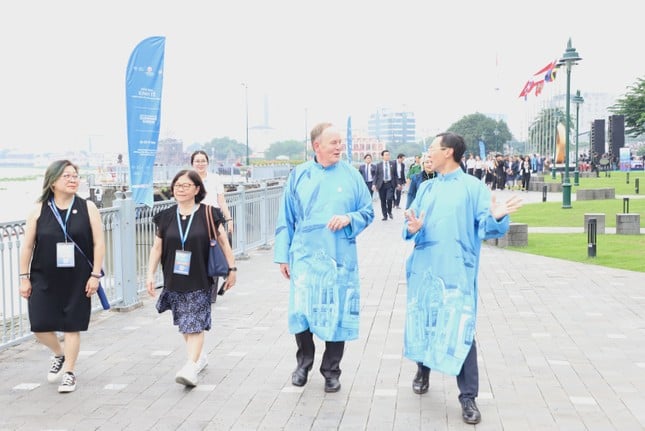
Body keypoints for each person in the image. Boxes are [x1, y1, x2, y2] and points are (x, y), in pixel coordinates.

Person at [403, 133, 522, 425]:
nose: (428, 154)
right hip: (425, 267)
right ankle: (423, 368)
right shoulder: (426, 187)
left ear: (449, 152)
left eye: (432, 148)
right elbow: (409, 228)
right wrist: (414, 228)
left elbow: (487, 228)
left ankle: (468, 397)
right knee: (426, 319)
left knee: (461, 328)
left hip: (457, 269)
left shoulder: (474, 188)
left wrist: (496, 216)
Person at [274, 122, 374, 393]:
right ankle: (303, 363)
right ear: (317, 146)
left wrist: (349, 218)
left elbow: (368, 211)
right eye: (333, 142)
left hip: (340, 258)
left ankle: (331, 370)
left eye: (340, 142)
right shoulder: (299, 175)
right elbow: (286, 217)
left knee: (337, 312)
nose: (339, 147)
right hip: (305, 257)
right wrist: (283, 256)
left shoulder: (352, 175)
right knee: (301, 311)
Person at [19, 160, 105, 393]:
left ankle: (69, 372)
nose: (72, 179)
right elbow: (27, 246)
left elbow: (99, 243)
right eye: (66, 176)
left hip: (78, 277)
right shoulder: (38, 209)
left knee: (72, 325)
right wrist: (24, 277)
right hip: (43, 277)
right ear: (53, 181)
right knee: (38, 324)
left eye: (75, 175)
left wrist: (95, 274)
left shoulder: (88, 207)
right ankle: (59, 354)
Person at [146, 169, 237, 387]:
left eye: (186, 185)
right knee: (184, 323)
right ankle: (199, 358)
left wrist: (232, 269)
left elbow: (224, 243)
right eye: (177, 185)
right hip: (174, 277)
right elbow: (157, 247)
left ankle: (190, 366)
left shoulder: (209, 213)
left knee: (194, 322)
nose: (180, 189)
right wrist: (150, 274)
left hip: (200, 276)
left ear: (197, 189)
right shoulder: (166, 216)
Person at [191, 150, 234, 303]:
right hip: (195, 219)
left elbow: (221, 201)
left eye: (203, 161)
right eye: (197, 161)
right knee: (197, 255)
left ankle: (211, 294)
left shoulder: (215, 179)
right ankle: (198, 289)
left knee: (214, 254)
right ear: (192, 163)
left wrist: (229, 219)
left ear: (207, 163)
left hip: (213, 219)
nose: (200, 164)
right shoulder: (189, 179)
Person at [373, 149, 396, 221]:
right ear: (382, 156)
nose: (388, 156)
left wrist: (398, 183)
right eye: (386, 155)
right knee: (382, 201)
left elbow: (395, 175)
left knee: (389, 199)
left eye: (388, 155)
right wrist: (374, 184)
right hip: (381, 185)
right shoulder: (379, 165)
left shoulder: (393, 164)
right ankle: (385, 215)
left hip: (390, 184)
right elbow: (376, 176)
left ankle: (389, 211)